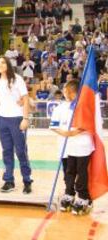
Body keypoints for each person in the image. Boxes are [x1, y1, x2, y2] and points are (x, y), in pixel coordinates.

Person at [50, 81, 94, 215]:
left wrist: (74, 132)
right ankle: (69, 193)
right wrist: (64, 133)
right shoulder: (60, 108)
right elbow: (54, 125)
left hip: (82, 146)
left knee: (82, 173)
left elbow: (88, 124)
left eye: (69, 91)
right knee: (69, 172)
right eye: (65, 90)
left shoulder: (83, 106)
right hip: (67, 147)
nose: (66, 93)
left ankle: (84, 197)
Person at [0, 56, 33, 194]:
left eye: (3, 62)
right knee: (7, 151)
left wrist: (25, 118)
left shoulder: (17, 79)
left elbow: (26, 98)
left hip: (16, 119)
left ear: (8, 64)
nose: (0, 64)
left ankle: (27, 180)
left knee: (21, 151)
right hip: (2, 119)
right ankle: (9, 180)